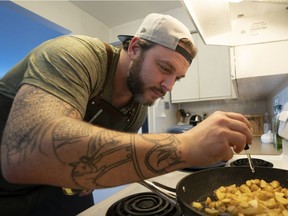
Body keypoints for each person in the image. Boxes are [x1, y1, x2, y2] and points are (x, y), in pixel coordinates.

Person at [0, 13, 253, 215]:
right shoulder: (74, 54)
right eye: (164, 68)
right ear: (134, 48)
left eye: (177, 77)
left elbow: (107, 162)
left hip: (62, 191)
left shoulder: (138, 105)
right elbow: (24, 153)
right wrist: (186, 145)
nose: (168, 86)